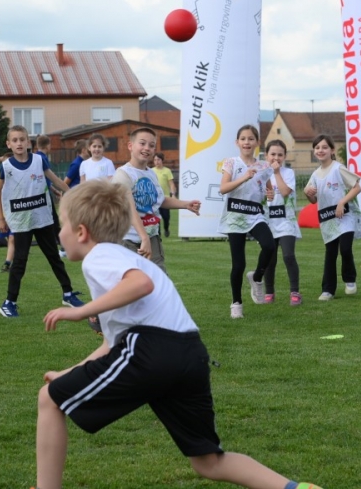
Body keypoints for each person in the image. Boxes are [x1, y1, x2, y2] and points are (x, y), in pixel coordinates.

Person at [33, 179, 324, 489]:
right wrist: (70, 372)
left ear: (81, 232)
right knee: (208, 461)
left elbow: (138, 286)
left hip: (153, 351)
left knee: (49, 400)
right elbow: (113, 343)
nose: (59, 232)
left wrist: (78, 310)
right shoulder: (125, 258)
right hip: (189, 353)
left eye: (62, 224)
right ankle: (294, 488)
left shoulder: (100, 256)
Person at [0, 125, 85, 318]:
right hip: (20, 221)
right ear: (8, 144)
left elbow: (56, 181)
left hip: (43, 218)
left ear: (29, 142)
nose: (19, 143)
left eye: (22, 139)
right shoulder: (6, 166)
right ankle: (9, 302)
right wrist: (1, 217)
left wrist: (75, 196)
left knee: (54, 256)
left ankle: (68, 294)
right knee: (19, 261)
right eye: (15, 140)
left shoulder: (38, 160)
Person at [112, 127, 200, 270]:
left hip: (151, 237)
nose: (147, 148)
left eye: (151, 145)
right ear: (130, 146)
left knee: (159, 283)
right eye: (142, 143)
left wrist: (185, 205)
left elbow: (159, 200)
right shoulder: (122, 175)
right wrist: (144, 237)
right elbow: (129, 209)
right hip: (127, 239)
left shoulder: (151, 174)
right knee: (132, 284)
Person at [218, 124, 276, 319]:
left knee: (269, 245)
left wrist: (270, 193)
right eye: (243, 138)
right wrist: (243, 177)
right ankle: (236, 303)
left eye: (251, 139)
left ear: (257, 143)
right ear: (237, 142)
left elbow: (268, 190)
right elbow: (223, 188)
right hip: (235, 215)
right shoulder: (231, 163)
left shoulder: (264, 166)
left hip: (255, 214)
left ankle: (257, 277)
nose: (247, 142)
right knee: (238, 264)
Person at [304, 135, 361, 302]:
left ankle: (350, 279)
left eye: (324, 147)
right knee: (330, 254)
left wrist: (342, 202)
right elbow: (313, 200)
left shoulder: (338, 168)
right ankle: (328, 290)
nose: (320, 150)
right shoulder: (315, 175)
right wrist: (307, 194)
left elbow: (357, 187)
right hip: (328, 219)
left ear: (332, 150)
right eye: (317, 147)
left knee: (345, 248)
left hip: (345, 216)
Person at [262, 140, 302, 306]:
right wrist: (265, 196)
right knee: (269, 260)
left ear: (284, 156)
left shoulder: (288, 173)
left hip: (286, 221)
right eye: (273, 154)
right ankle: (269, 292)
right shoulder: (261, 173)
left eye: (280, 154)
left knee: (288, 255)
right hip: (268, 222)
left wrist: (277, 173)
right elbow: (258, 196)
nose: (276, 157)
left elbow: (285, 192)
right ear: (266, 155)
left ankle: (295, 292)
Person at [152, 152, 176, 237]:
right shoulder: (151, 171)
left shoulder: (167, 171)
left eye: (158, 160)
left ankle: (166, 228)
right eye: (155, 160)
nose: (156, 162)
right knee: (156, 218)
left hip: (165, 198)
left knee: (166, 217)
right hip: (155, 199)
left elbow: (171, 184)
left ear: (162, 160)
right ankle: (157, 234)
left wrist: (173, 194)